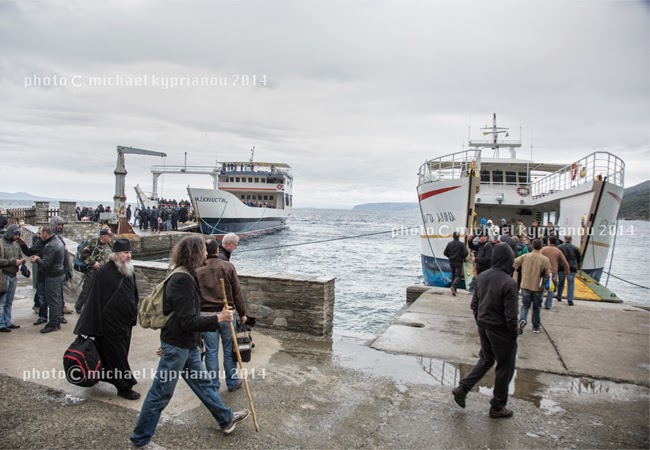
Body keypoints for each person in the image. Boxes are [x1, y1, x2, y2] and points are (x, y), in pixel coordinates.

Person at [129, 236, 250, 448]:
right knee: (160, 394)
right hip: (178, 347)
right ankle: (140, 440)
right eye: (203, 250)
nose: (206, 254)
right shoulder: (182, 280)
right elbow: (188, 321)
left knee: (203, 385)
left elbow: (176, 315)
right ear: (195, 253)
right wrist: (218, 318)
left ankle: (226, 419)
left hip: (186, 346)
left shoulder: (185, 275)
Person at [451, 243, 519, 419]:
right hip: (500, 330)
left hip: (483, 325)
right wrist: (514, 334)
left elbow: (474, 304)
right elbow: (511, 316)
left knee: (487, 359)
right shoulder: (509, 283)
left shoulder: (482, 277)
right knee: (505, 367)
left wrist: (480, 321)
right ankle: (497, 406)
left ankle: (463, 387)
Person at [74, 239, 140, 400]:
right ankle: (125, 387)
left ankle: (101, 375)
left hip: (125, 323)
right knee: (117, 356)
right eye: (125, 253)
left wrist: (133, 313)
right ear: (116, 255)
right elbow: (93, 298)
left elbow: (134, 294)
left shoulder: (129, 271)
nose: (129, 256)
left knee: (119, 354)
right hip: (109, 324)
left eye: (130, 253)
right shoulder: (103, 272)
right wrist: (91, 324)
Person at [197, 239, 247, 391]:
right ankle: (232, 382)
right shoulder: (228, 266)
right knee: (228, 348)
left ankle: (213, 384)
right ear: (217, 251)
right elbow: (237, 292)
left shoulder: (197, 269)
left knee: (211, 351)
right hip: (226, 313)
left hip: (205, 315)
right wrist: (242, 312)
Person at [29, 226, 66, 333]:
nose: (39, 236)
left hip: (53, 276)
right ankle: (57, 321)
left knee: (52, 301)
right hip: (59, 274)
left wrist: (37, 259)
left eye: (41, 234)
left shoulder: (51, 245)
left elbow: (46, 264)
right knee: (57, 299)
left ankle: (53, 323)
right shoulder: (58, 241)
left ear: (46, 234)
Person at [513, 239, 551, 334]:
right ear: (541, 247)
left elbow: (515, 263)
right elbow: (547, 274)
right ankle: (535, 327)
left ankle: (522, 319)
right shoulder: (545, 259)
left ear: (532, 246)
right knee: (536, 307)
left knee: (525, 305)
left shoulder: (526, 256)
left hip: (525, 284)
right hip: (538, 286)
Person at [74, 228, 114, 314]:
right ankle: (79, 306)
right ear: (103, 236)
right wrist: (93, 263)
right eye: (109, 236)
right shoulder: (93, 243)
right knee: (86, 291)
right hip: (92, 273)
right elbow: (83, 255)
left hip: (104, 273)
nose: (111, 237)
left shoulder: (109, 244)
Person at [0, 225, 26, 332]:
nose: (16, 237)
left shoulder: (16, 244)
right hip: (4, 275)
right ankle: (1, 323)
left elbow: (20, 255)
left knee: (9, 302)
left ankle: (7, 321)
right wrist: (13, 262)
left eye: (17, 235)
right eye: (15, 234)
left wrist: (21, 261)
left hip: (13, 275)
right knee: (2, 302)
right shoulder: (1, 243)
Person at [540, 237, 570, 310]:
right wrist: (567, 272)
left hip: (543, 271)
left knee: (540, 287)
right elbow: (565, 262)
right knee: (551, 289)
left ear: (549, 241)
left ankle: (539, 302)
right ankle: (548, 304)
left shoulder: (543, 249)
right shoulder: (558, 251)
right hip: (553, 272)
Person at [556, 236, 581, 306]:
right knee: (570, 283)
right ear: (571, 240)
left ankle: (559, 295)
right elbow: (579, 259)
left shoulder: (559, 247)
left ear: (564, 239)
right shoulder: (576, 248)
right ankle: (570, 299)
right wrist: (578, 267)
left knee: (561, 282)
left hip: (561, 267)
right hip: (572, 268)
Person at [443, 232, 468, 296]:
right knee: (458, 276)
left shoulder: (449, 244)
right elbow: (466, 252)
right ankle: (454, 287)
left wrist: (450, 257)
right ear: (459, 237)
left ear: (453, 236)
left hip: (451, 261)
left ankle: (453, 288)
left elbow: (445, 253)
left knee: (453, 274)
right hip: (459, 261)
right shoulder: (461, 244)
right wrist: (462, 257)